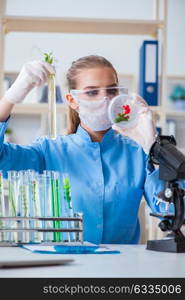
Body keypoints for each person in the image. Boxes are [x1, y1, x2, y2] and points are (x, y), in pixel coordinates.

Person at [0, 55, 165, 244]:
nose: (105, 99)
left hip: (120, 269)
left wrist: (155, 150)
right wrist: (9, 99)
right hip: (63, 269)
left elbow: (173, 212)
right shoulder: (48, 151)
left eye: (111, 91)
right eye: (92, 92)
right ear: (72, 100)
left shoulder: (138, 153)